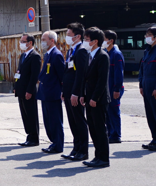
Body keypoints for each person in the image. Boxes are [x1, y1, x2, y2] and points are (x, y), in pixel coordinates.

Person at [78, 27, 111, 168]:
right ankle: (97, 156)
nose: (84, 42)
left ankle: (103, 158)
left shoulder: (102, 56)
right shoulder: (89, 55)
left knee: (100, 129)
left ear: (95, 41)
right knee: (92, 128)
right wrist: (83, 95)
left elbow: (102, 81)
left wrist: (94, 98)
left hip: (98, 100)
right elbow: (86, 78)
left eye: (86, 39)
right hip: (89, 98)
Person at [60, 22, 90, 161]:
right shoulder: (71, 50)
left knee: (79, 121)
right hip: (68, 91)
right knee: (72, 121)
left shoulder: (81, 50)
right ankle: (76, 148)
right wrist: (64, 91)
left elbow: (80, 75)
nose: (66, 37)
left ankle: (83, 151)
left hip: (75, 93)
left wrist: (76, 93)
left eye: (69, 34)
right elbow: (68, 71)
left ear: (78, 36)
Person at [37, 30, 65, 154]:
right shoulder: (48, 54)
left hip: (53, 93)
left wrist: (63, 91)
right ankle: (53, 142)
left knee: (55, 121)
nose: (42, 42)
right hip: (46, 93)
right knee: (48, 121)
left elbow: (62, 75)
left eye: (44, 40)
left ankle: (58, 145)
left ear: (52, 40)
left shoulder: (56, 55)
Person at [14, 32, 42, 147]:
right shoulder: (23, 55)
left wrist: (29, 91)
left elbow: (34, 76)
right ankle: (29, 136)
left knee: (31, 114)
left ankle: (34, 138)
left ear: (30, 43)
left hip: (28, 90)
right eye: (20, 41)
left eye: (23, 42)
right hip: (21, 89)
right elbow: (19, 72)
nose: (21, 44)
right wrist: (15, 86)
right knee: (25, 114)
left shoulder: (35, 56)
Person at [104, 29, 124, 144]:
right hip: (108, 88)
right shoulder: (107, 52)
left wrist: (117, 89)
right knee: (108, 112)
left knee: (114, 112)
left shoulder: (116, 54)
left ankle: (116, 135)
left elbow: (118, 73)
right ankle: (110, 133)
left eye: (104, 39)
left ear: (111, 41)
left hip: (113, 88)